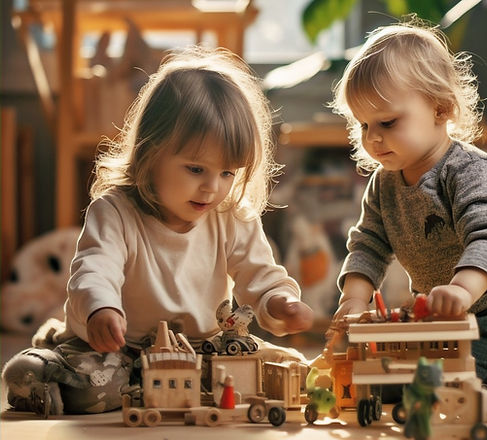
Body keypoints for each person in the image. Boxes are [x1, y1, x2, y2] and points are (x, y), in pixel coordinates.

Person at [2, 46, 313, 416]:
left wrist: (279, 301)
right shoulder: (115, 211)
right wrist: (101, 310)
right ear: (150, 155)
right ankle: (43, 364)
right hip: (118, 349)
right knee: (96, 392)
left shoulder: (232, 216)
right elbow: (94, 269)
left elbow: (260, 273)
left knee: (285, 370)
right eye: (196, 169)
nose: (212, 188)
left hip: (202, 349)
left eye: (227, 173)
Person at [328, 19, 487, 387]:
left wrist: (462, 290)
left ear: (440, 109)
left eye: (387, 122)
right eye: (363, 125)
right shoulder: (383, 185)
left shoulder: (469, 170)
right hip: (445, 312)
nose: (372, 138)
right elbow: (368, 244)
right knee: (400, 379)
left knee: (455, 384)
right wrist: (354, 300)